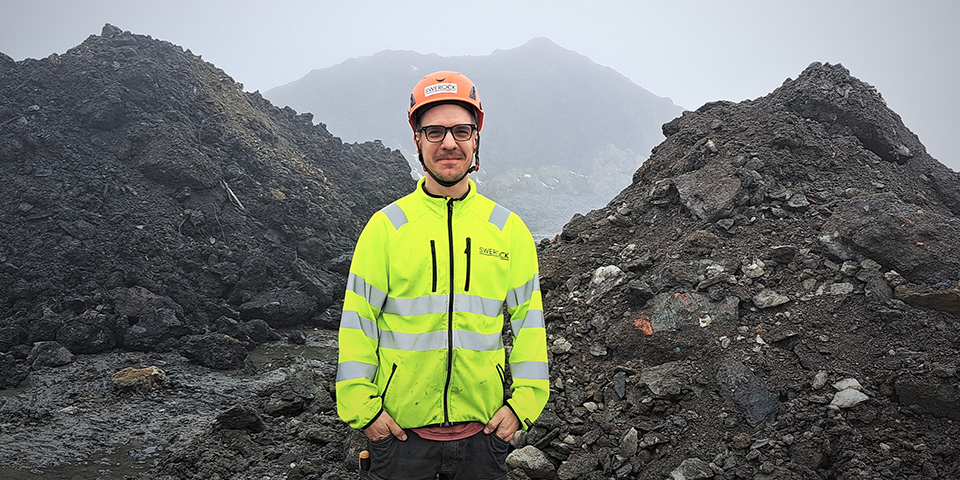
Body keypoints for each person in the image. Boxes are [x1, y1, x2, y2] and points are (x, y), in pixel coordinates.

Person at [336, 70, 549, 479]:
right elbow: (357, 323)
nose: (449, 143)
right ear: (417, 139)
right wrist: (365, 412)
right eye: (434, 132)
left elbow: (530, 325)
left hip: (483, 437)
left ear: (476, 138)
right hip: (399, 437)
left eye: (461, 131)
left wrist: (522, 406)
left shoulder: (508, 230)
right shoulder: (386, 228)